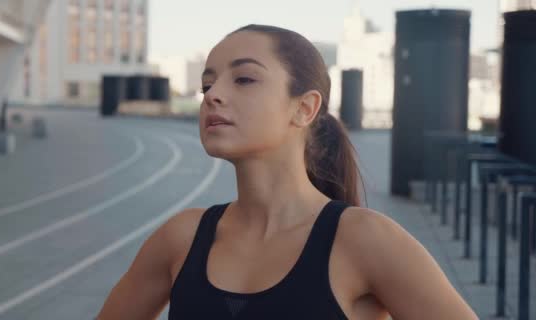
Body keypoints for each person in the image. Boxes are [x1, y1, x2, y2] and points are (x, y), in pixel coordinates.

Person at [97, 24, 478, 319]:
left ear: (305, 108)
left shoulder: (366, 240)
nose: (212, 94)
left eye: (243, 79)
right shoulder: (180, 238)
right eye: (206, 84)